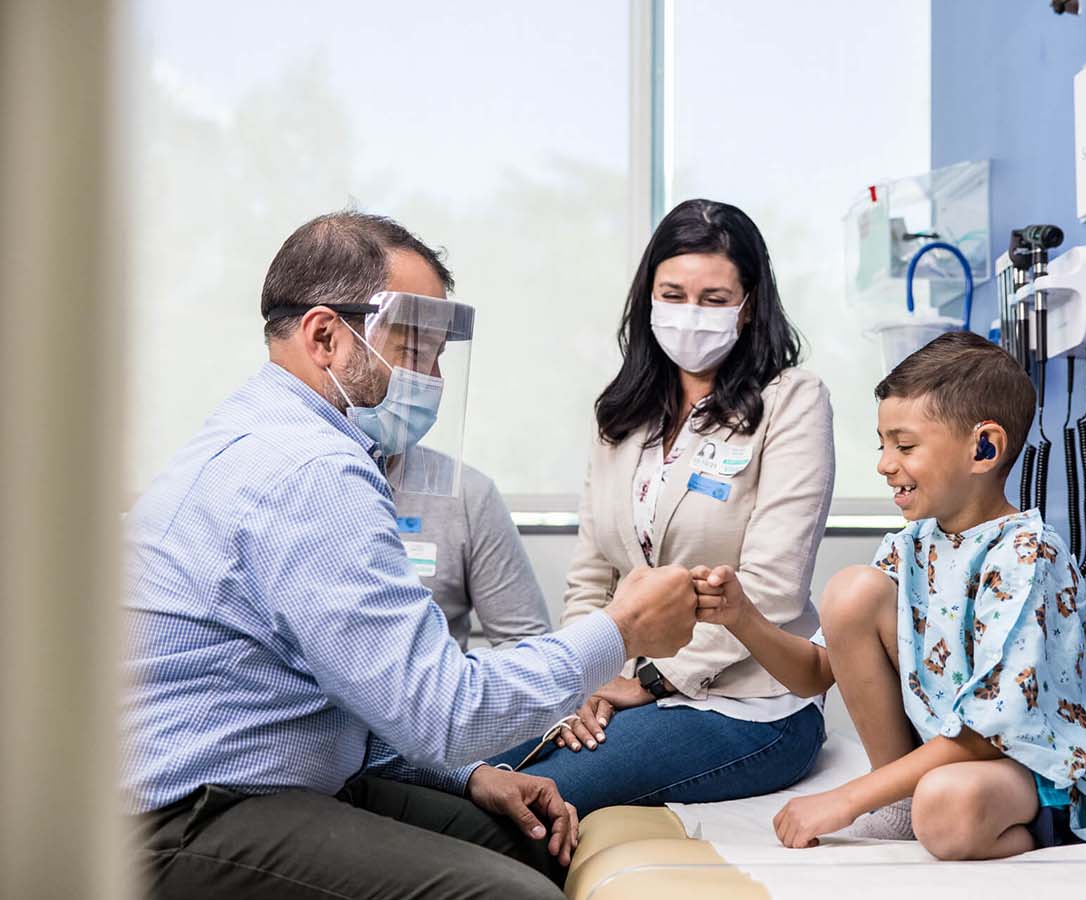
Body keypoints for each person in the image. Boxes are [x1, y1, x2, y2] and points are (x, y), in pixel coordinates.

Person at [121, 211, 698, 900]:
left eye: (438, 353)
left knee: (537, 846)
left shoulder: (262, 432)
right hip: (187, 819)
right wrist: (622, 629)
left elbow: (350, 693)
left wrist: (470, 776)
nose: (430, 377)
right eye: (415, 346)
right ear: (326, 336)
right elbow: (444, 712)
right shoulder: (311, 472)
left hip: (272, 778)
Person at [693, 332, 1086, 857]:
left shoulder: (1027, 557)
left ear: (983, 448)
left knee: (944, 807)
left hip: (1037, 769)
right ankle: (900, 807)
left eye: (905, 445)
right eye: (882, 444)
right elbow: (814, 673)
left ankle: (1051, 831)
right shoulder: (909, 546)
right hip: (959, 757)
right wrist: (741, 618)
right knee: (851, 589)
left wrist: (845, 800)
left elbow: (987, 735)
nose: (884, 464)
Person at [491, 199, 831, 817]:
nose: (690, 315)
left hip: (747, 705)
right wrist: (581, 680)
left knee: (549, 790)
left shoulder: (792, 401)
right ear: (648, 297)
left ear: (748, 304)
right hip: (617, 683)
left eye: (713, 298)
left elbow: (773, 590)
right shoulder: (621, 413)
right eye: (673, 294)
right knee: (467, 757)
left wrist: (647, 684)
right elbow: (592, 572)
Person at [392, 452, 552, 650]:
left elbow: (526, 640)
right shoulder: (344, 494)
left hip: (443, 677)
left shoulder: (467, 492)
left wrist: (463, 679)